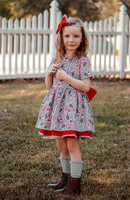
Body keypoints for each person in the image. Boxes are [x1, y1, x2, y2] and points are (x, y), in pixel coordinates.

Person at [35, 16, 95, 195]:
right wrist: (49, 74)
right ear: (61, 38)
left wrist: (65, 77)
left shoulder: (82, 60)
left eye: (75, 36)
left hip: (73, 109)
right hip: (57, 108)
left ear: (82, 38)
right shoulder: (56, 58)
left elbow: (85, 86)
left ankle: (74, 185)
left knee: (72, 145)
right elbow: (51, 87)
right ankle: (65, 178)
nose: (71, 40)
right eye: (67, 36)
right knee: (61, 145)